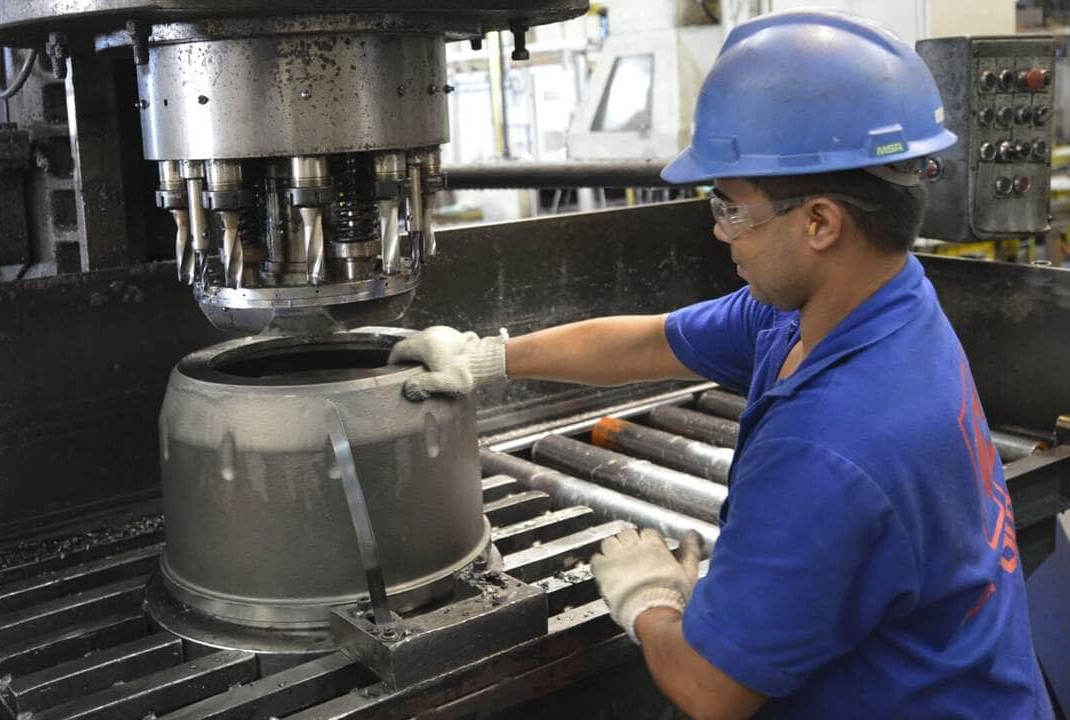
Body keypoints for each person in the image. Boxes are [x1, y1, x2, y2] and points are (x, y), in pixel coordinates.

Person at [389, 9, 1054, 720]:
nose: (717, 229)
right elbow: (651, 342)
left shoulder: (831, 446)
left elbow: (712, 691)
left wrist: (650, 603)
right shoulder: (865, 304)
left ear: (820, 222)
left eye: (732, 207)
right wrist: (489, 359)